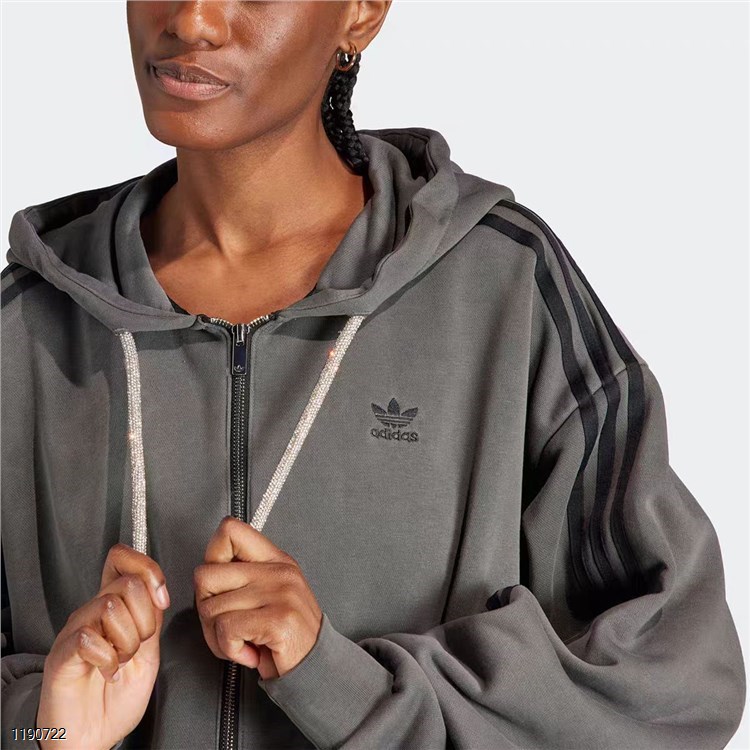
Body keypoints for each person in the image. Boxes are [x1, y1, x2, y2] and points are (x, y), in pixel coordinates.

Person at [1, 1, 746, 748]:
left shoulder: (501, 289)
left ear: (360, 14)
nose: (192, 20)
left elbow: (672, 681)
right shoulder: (25, 326)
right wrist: (45, 734)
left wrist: (348, 690)